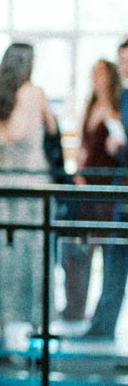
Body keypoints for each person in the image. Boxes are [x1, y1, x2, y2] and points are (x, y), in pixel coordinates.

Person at [0, 43, 56, 346]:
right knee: (32, 255)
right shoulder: (34, 94)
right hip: (30, 187)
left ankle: (1, 324)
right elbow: (45, 130)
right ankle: (36, 323)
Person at [76, 56, 128, 340]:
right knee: (103, 255)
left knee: (112, 256)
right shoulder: (93, 103)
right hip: (95, 187)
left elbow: (120, 147)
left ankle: (103, 324)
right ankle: (96, 320)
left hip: (111, 189)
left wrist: (117, 148)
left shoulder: (120, 102)